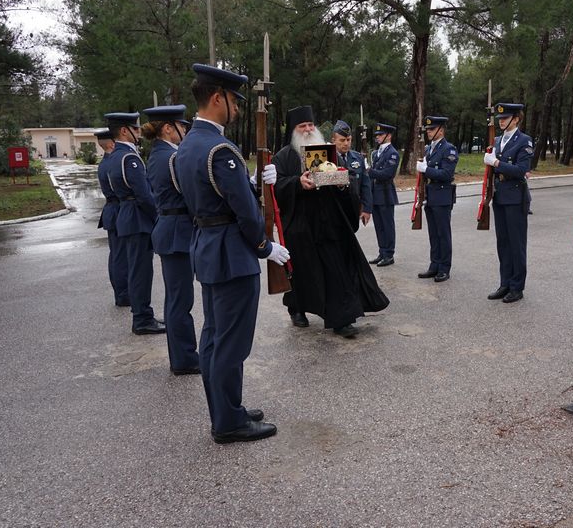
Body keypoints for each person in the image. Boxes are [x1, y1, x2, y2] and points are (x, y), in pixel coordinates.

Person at [175, 64, 290, 444]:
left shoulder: (187, 146)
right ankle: (227, 422)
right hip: (231, 255)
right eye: (233, 100)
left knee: (213, 337)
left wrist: (253, 181)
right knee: (230, 343)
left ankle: (228, 408)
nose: (238, 108)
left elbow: (210, 197)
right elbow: (243, 210)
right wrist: (264, 246)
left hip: (207, 250)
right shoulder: (220, 150)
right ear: (216, 98)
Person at [269, 106, 389, 337]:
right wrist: (297, 183)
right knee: (302, 273)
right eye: (302, 126)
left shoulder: (327, 152)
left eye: (310, 125)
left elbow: (346, 180)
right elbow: (276, 187)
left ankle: (341, 319)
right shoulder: (283, 157)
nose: (307, 129)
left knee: (336, 270)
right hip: (300, 226)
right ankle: (297, 308)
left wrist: (343, 183)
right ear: (293, 130)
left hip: (327, 224)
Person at [142, 105, 199, 375]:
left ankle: (182, 355)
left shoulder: (158, 155)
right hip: (177, 231)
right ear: (168, 128)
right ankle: (184, 359)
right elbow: (190, 195)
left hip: (170, 228)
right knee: (180, 300)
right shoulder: (172, 158)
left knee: (176, 298)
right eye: (182, 126)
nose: (186, 131)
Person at [104, 112, 166, 336]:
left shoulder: (115, 156)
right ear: (124, 131)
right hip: (137, 218)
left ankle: (142, 314)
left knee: (136, 268)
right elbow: (144, 195)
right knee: (141, 271)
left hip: (128, 215)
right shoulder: (129, 158)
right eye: (136, 129)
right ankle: (142, 318)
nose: (140, 132)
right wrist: (157, 216)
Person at [484, 103, 532, 303]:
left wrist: (496, 163)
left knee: (516, 243)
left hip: (515, 196)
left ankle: (517, 286)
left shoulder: (524, 140)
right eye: (500, 118)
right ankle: (505, 283)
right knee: (503, 242)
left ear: (516, 119)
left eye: (506, 118)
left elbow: (521, 170)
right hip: (500, 195)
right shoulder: (495, 140)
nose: (501, 121)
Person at [416, 115, 458, 283]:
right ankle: (434, 265)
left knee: (443, 234)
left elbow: (446, 174)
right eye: (427, 130)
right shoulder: (427, 149)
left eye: (432, 129)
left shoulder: (449, 149)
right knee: (433, 233)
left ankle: (444, 268)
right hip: (430, 194)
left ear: (441, 130)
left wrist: (426, 169)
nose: (428, 132)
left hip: (442, 195)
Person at [94, 129, 129, 307]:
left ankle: (121, 291)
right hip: (117, 209)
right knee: (120, 255)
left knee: (116, 254)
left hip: (112, 209)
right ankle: (123, 294)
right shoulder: (112, 163)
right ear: (110, 144)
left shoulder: (105, 162)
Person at [368, 123, 400, 266]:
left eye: (380, 135)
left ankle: (389, 254)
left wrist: (370, 171)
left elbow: (388, 174)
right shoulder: (377, 152)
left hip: (386, 193)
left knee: (387, 225)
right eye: (376, 135)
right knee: (379, 226)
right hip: (376, 193)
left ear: (389, 136)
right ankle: (382, 252)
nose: (377, 137)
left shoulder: (392, 153)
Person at [332, 119, 372, 230]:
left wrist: (367, 209)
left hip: (352, 208)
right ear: (333, 140)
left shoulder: (358, 158)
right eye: (342, 140)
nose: (346, 143)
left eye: (348, 140)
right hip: (334, 210)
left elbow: (365, 184)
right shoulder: (328, 160)